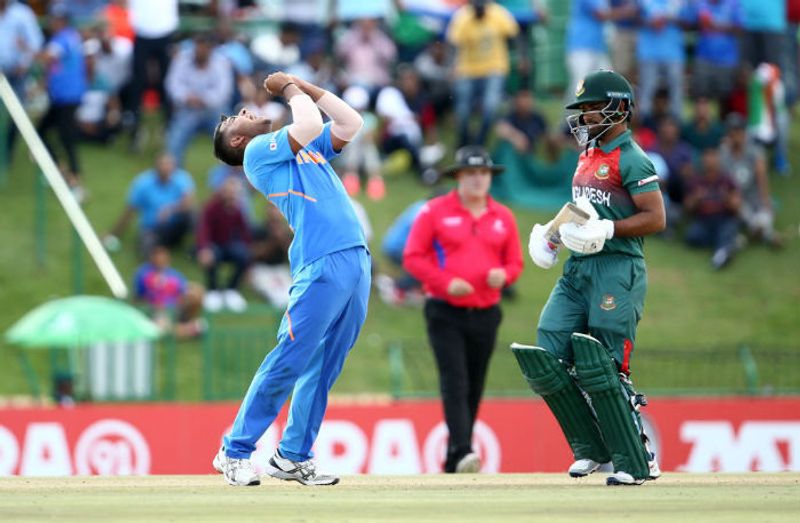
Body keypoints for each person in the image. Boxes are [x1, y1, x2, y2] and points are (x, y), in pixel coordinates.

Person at [210, 72, 369, 487]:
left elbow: (351, 123)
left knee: (325, 364)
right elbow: (310, 124)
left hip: (354, 258)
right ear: (236, 142)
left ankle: (292, 456)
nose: (244, 112)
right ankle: (234, 451)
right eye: (234, 119)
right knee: (289, 359)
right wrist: (287, 89)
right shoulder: (257, 155)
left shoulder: (302, 150)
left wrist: (306, 87)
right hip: (320, 261)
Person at [518, 70, 665, 486]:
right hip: (578, 270)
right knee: (549, 350)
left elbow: (656, 217)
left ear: (617, 108)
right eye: (580, 110)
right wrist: (553, 233)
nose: (582, 117)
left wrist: (610, 230)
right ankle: (592, 449)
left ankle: (638, 455)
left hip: (616, 268)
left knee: (605, 365)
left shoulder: (632, 157)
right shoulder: (587, 156)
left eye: (589, 109)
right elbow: (584, 211)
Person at [403, 146, 523, 474]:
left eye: (482, 173)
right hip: (445, 310)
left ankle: (457, 457)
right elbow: (414, 257)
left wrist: (505, 276)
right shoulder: (434, 211)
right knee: (454, 379)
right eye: (470, 173)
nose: (477, 179)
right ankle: (463, 448)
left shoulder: (503, 217)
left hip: (486, 311)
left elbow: (515, 262)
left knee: (475, 382)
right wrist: (444, 283)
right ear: (458, 176)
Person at [447, 0, 519, 147]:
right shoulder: (462, 16)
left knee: (491, 107)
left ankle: (480, 141)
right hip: (467, 69)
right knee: (462, 110)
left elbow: (515, 36)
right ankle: (464, 139)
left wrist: (522, 57)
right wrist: (452, 67)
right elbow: (453, 44)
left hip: (494, 67)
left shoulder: (499, 13)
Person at [105, 152, 195, 258]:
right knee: (146, 250)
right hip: (153, 229)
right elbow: (129, 212)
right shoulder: (142, 183)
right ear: (156, 166)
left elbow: (189, 202)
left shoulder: (182, 178)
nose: (166, 168)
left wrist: (171, 209)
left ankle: (200, 249)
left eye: (169, 164)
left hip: (176, 227)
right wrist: (114, 233)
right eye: (163, 164)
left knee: (193, 215)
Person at [196, 177, 252, 313]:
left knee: (243, 255)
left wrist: (250, 259)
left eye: (235, 193)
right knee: (212, 254)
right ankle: (213, 290)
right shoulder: (211, 208)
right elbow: (204, 229)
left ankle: (231, 290)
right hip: (212, 244)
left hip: (229, 245)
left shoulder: (237, 210)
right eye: (229, 192)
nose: (232, 195)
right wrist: (204, 248)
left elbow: (244, 233)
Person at [685, 147, 742, 269]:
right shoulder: (696, 180)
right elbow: (688, 207)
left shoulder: (727, 180)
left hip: (724, 218)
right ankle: (730, 242)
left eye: (713, 157)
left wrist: (727, 199)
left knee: (726, 230)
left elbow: (737, 206)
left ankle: (721, 254)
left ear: (718, 160)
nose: (710, 160)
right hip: (704, 220)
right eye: (707, 157)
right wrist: (696, 199)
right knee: (692, 237)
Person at [133, 244, 204, 339]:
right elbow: (139, 297)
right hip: (157, 310)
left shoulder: (173, 274)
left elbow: (184, 289)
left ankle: (185, 326)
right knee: (161, 325)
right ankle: (187, 330)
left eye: (164, 258)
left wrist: (189, 293)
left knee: (197, 291)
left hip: (176, 307)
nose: (162, 261)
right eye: (159, 258)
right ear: (153, 258)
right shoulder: (144, 274)